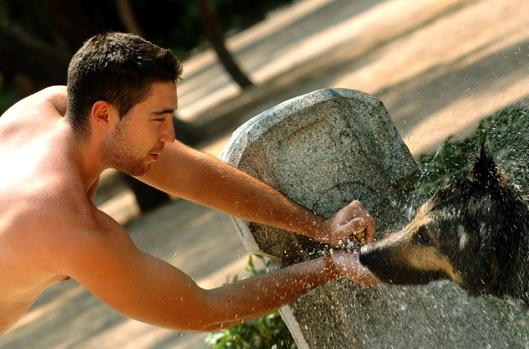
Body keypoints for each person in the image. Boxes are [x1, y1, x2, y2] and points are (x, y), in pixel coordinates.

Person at [0, 32, 378, 334]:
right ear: (103, 115)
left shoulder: (52, 108)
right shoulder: (67, 227)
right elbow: (204, 311)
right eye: (158, 118)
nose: (169, 135)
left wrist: (322, 228)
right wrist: (331, 266)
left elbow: (194, 176)